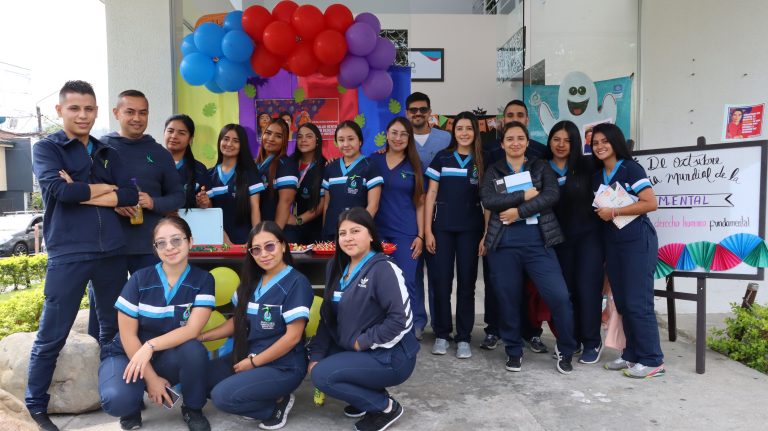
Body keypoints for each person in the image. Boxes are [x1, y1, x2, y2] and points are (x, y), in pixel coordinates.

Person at [27, 80, 138, 431]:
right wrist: (107, 190)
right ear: (60, 110)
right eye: (74, 108)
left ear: (97, 111)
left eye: (89, 108)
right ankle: (36, 405)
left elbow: (130, 195)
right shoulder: (47, 148)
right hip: (69, 252)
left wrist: (84, 191)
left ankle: (120, 399)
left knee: (113, 332)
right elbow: (60, 191)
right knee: (52, 334)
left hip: (112, 252)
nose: (82, 115)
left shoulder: (107, 151)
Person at [98, 216, 215, 431]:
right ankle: (131, 405)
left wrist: (150, 346)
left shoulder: (203, 280)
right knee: (117, 400)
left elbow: (192, 330)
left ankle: (193, 408)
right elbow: (127, 335)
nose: (169, 247)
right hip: (128, 353)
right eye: (161, 243)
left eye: (176, 240)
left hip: (166, 355)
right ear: (155, 248)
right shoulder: (139, 279)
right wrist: (152, 379)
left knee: (193, 349)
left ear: (190, 241)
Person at [308, 208, 419, 431]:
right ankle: (364, 398)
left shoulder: (383, 269)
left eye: (355, 231)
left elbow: (401, 320)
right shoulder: (335, 266)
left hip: (391, 356)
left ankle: (385, 407)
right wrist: (316, 355)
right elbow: (327, 317)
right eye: (342, 233)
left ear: (370, 235)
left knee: (323, 376)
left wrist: (363, 341)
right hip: (357, 348)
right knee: (313, 361)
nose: (348, 238)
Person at [481, 121, 578, 375]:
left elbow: (551, 195)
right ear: (502, 144)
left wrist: (518, 212)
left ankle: (566, 348)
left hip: (538, 242)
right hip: (503, 243)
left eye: (520, 138)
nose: (515, 143)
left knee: (559, 296)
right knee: (508, 299)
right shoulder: (494, 170)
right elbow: (489, 199)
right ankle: (513, 349)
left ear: (527, 142)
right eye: (510, 139)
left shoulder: (540, 166)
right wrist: (523, 196)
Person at [204, 221, 312, 430]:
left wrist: (253, 363)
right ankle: (259, 395)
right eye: (256, 249)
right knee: (202, 380)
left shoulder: (297, 283)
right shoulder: (250, 281)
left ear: (283, 245)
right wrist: (201, 336)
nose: (264, 254)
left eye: (270, 246)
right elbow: (237, 321)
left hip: (283, 366)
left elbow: (293, 337)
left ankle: (275, 406)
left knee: (222, 397)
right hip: (248, 356)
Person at [591, 123, 665, 378]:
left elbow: (650, 203)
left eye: (605, 141)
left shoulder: (631, 168)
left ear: (616, 142)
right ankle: (632, 354)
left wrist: (614, 211)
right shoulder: (598, 175)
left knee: (638, 302)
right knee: (622, 301)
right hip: (613, 242)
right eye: (595, 143)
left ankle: (653, 360)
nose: (600, 146)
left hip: (637, 241)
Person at [102, 90, 185, 273]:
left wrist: (153, 202)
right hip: (107, 246)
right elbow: (87, 193)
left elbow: (178, 196)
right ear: (116, 113)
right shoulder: (101, 149)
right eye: (130, 112)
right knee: (108, 294)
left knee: (152, 293)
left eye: (143, 113)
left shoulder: (160, 153)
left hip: (150, 247)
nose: (137, 118)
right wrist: (114, 202)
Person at [424, 111, 484, 359]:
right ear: (453, 131)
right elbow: (430, 194)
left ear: (475, 132)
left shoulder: (481, 160)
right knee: (441, 282)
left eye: (469, 128)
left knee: (467, 285)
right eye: (460, 128)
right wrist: (427, 230)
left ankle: (464, 337)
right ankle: (441, 334)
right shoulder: (443, 157)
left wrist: (486, 234)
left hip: (471, 229)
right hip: (442, 229)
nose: (464, 133)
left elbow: (488, 201)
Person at [544, 120, 605, 364]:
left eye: (567, 140)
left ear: (576, 143)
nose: (561, 145)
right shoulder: (541, 168)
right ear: (549, 141)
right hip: (558, 241)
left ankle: (591, 341)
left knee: (587, 290)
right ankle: (572, 340)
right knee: (566, 292)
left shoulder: (588, 165)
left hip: (589, 238)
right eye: (556, 139)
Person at [369, 117, 428, 339]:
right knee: (380, 282)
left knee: (407, 281)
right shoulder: (374, 161)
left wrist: (420, 235)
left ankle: (412, 328)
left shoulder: (416, 165)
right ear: (386, 134)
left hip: (406, 233)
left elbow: (421, 203)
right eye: (394, 132)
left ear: (409, 138)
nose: (398, 138)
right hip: (377, 232)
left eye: (404, 134)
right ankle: (385, 326)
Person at [404, 92, 451, 339]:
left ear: (430, 112)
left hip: (440, 211)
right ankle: (417, 321)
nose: (418, 114)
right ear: (407, 113)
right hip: (409, 211)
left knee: (437, 272)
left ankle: (440, 324)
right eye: (413, 110)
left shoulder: (446, 138)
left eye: (423, 109)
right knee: (412, 270)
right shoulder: (401, 137)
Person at [197, 124, 263, 245]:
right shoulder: (208, 175)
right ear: (219, 141)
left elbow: (255, 209)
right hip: (217, 241)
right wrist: (223, 237)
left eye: (235, 141)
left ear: (242, 145)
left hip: (245, 242)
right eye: (226, 139)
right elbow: (210, 211)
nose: (229, 144)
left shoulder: (250, 173)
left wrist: (255, 241)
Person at [321, 121, 383, 240]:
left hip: (357, 234)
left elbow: (373, 205)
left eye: (351, 139)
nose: (346, 144)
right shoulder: (330, 168)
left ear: (360, 141)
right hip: (332, 232)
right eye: (341, 140)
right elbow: (326, 204)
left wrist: (358, 229)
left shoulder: (370, 166)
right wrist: (325, 229)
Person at [285, 123, 326, 244]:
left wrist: (298, 220)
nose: (303, 140)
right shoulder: (288, 163)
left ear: (317, 140)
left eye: (309, 136)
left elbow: (321, 204)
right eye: (300, 136)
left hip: (313, 228)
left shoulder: (324, 166)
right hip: (289, 227)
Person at [255, 118, 299, 228]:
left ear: (284, 141)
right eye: (268, 133)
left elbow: (286, 202)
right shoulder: (256, 164)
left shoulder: (286, 164)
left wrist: (275, 234)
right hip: (258, 229)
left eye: (278, 136)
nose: (271, 139)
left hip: (276, 231)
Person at [164, 114, 211, 211]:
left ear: (190, 139)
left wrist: (203, 203)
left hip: (189, 221)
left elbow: (209, 207)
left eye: (181, 133)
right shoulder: (152, 164)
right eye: (170, 131)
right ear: (164, 133)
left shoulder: (199, 169)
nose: (174, 136)